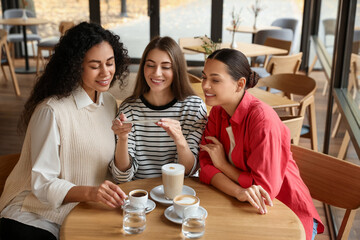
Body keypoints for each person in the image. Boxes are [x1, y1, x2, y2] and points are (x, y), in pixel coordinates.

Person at [0, 22, 129, 240]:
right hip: (34, 215)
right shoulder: (51, 111)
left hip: (82, 212)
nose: (106, 72)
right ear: (76, 66)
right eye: (95, 65)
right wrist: (92, 192)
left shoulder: (108, 103)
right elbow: (42, 184)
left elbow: (110, 167)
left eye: (110, 62)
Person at [198, 48, 324, 240]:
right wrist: (239, 191)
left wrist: (222, 165)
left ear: (240, 84)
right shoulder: (217, 112)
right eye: (204, 77)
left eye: (215, 80)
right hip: (243, 206)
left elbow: (264, 190)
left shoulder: (263, 120)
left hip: (287, 212)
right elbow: (205, 165)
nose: (205, 85)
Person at [111, 36, 207, 182]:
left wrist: (180, 140)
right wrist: (123, 139)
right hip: (141, 196)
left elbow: (189, 171)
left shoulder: (193, 108)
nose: (156, 73)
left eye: (166, 67)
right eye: (150, 65)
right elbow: (121, 176)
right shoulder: (129, 109)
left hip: (179, 195)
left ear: (177, 70)